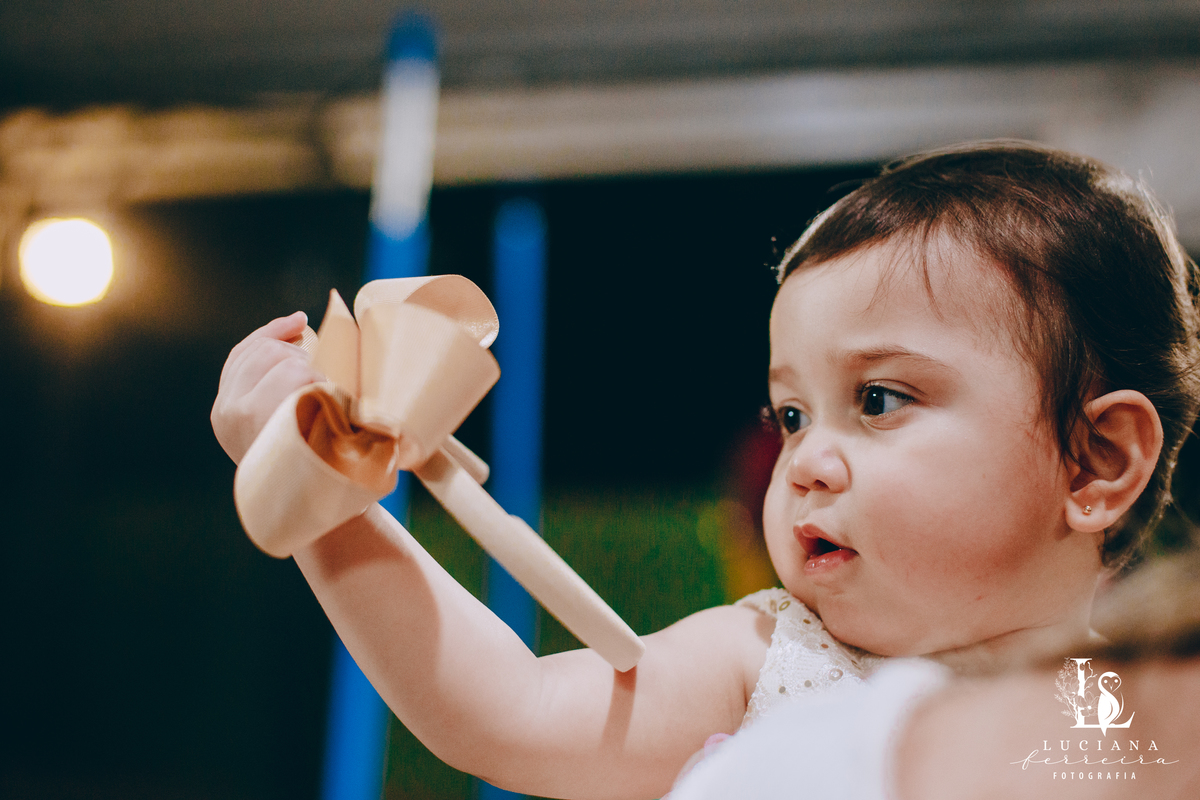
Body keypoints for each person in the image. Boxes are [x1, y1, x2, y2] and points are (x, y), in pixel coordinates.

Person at [211, 141, 1200, 799]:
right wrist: (319, 489)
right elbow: (511, 709)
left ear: (1096, 460)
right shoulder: (765, 654)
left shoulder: (1138, 711)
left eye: (881, 400)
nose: (803, 458)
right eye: (792, 412)